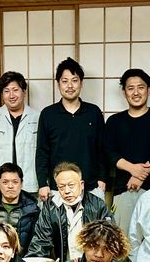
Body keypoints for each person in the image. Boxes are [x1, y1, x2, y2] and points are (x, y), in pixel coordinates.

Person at [105, 68, 150, 231]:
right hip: (124, 188)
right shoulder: (114, 121)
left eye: (140, 87)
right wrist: (132, 169)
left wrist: (140, 175)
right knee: (124, 239)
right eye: (131, 88)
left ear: (148, 90)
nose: (136, 92)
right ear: (124, 93)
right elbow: (109, 152)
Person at [36, 58, 106, 202]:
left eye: (74, 80)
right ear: (58, 84)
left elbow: (102, 149)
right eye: (65, 81)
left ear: (81, 83)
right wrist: (42, 183)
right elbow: (42, 152)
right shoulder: (48, 114)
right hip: (58, 188)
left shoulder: (94, 112)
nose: (70, 86)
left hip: (91, 186)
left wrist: (102, 179)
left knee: (94, 219)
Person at [26, 162, 112, 262]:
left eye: (71, 185)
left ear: (81, 185)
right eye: (61, 187)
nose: (66, 191)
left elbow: (111, 240)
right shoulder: (50, 207)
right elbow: (40, 242)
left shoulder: (97, 205)